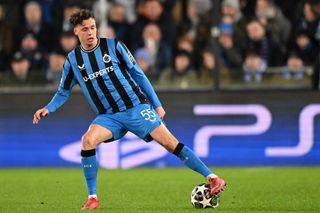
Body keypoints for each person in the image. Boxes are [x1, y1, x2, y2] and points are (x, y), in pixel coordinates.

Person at [32, 9, 226, 210]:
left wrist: (157, 104)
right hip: (109, 117)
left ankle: (212, 178)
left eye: (92, 28)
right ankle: (92, 198)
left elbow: (139, 74)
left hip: (136, 107)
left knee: (170, 143)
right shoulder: (73, 61)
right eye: (85, 29)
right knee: (87, 141)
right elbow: (63, 91)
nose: (90, 32)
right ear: (75, 31)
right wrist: (48, 108)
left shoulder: (114, 46)